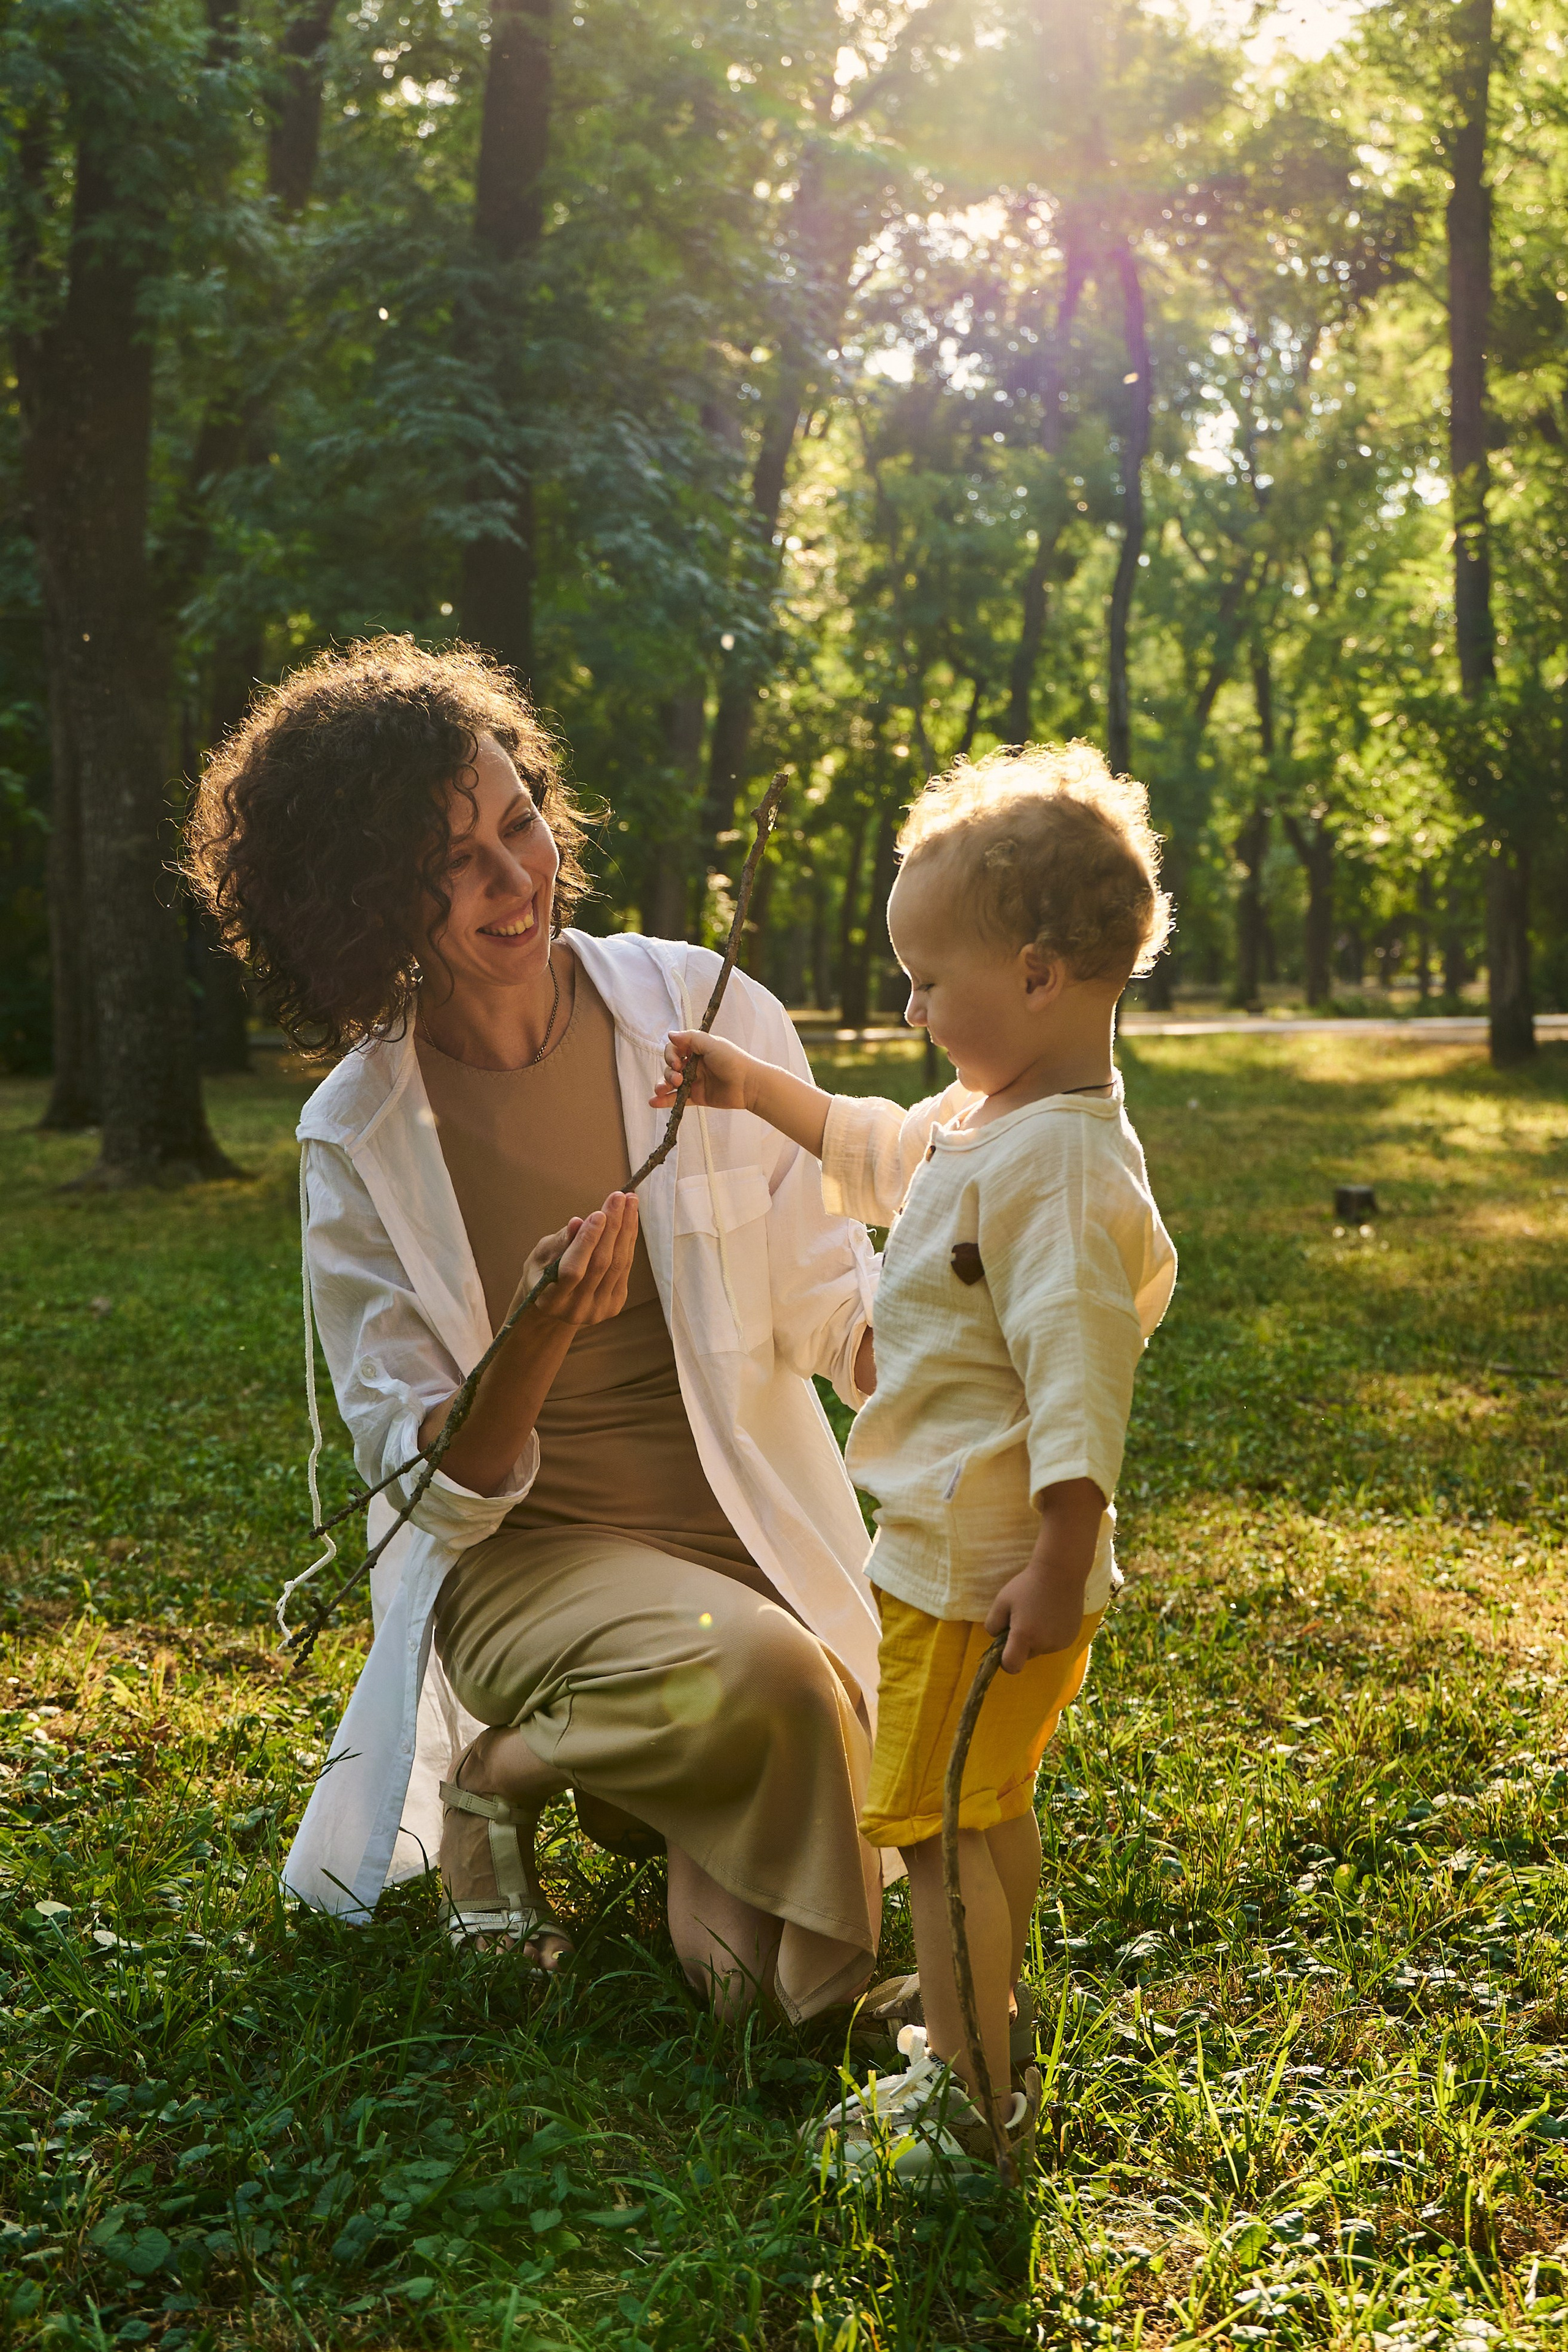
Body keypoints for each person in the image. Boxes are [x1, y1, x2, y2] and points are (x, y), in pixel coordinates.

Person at [184, 635, 891, 2024]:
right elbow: (425, 1481)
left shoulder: (701, 1013)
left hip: (743, 1535)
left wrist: (957, 1350)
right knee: (770, 1681)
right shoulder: (362, 1137)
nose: (516, 880)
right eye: (455, 863)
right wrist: (532, 1338)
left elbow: (829, 1299)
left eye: (521, 826)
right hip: (528, 1572)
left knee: (741, 1973)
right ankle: (521, 1786)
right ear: (363, 899)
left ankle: (568, 1795)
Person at [657, 743, 1177, 2165]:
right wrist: (749, 1089)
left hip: (987, 1574)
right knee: (983, 1807)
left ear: (1035, 974)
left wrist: (1059, 1564)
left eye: (927, 981)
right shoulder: (985, 1121)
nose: (909, 1005)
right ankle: (986, 2033)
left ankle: (965, 2105)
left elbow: (1082, 1391)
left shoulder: (1060, 1169)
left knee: (940, 1841)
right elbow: (880, 1152)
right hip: (950, 1561)